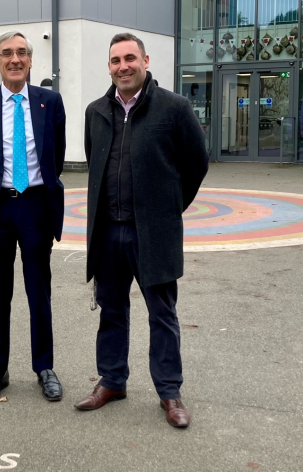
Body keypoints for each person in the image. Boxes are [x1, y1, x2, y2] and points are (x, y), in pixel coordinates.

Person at [75, 33, 209, 427]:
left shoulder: (174, 108)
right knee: (111, 312)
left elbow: (197, 162)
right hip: (109, 232)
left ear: (146, 60)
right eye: (116, 60)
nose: (123, 66)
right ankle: (112, 381)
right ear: (109, 67)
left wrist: (170, 206)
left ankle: (169, 392)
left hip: (154, 233)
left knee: (162, 315)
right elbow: (93, 160)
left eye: (130, 58)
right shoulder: (96, 111)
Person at [0, 31, 66, 404]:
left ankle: (45, 368)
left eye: (21, 52)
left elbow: (56, 155)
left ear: (30, 60)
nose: (15, 59)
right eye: (7, 53)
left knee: (39, 292)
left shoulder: (50, 103)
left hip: (37, 206)